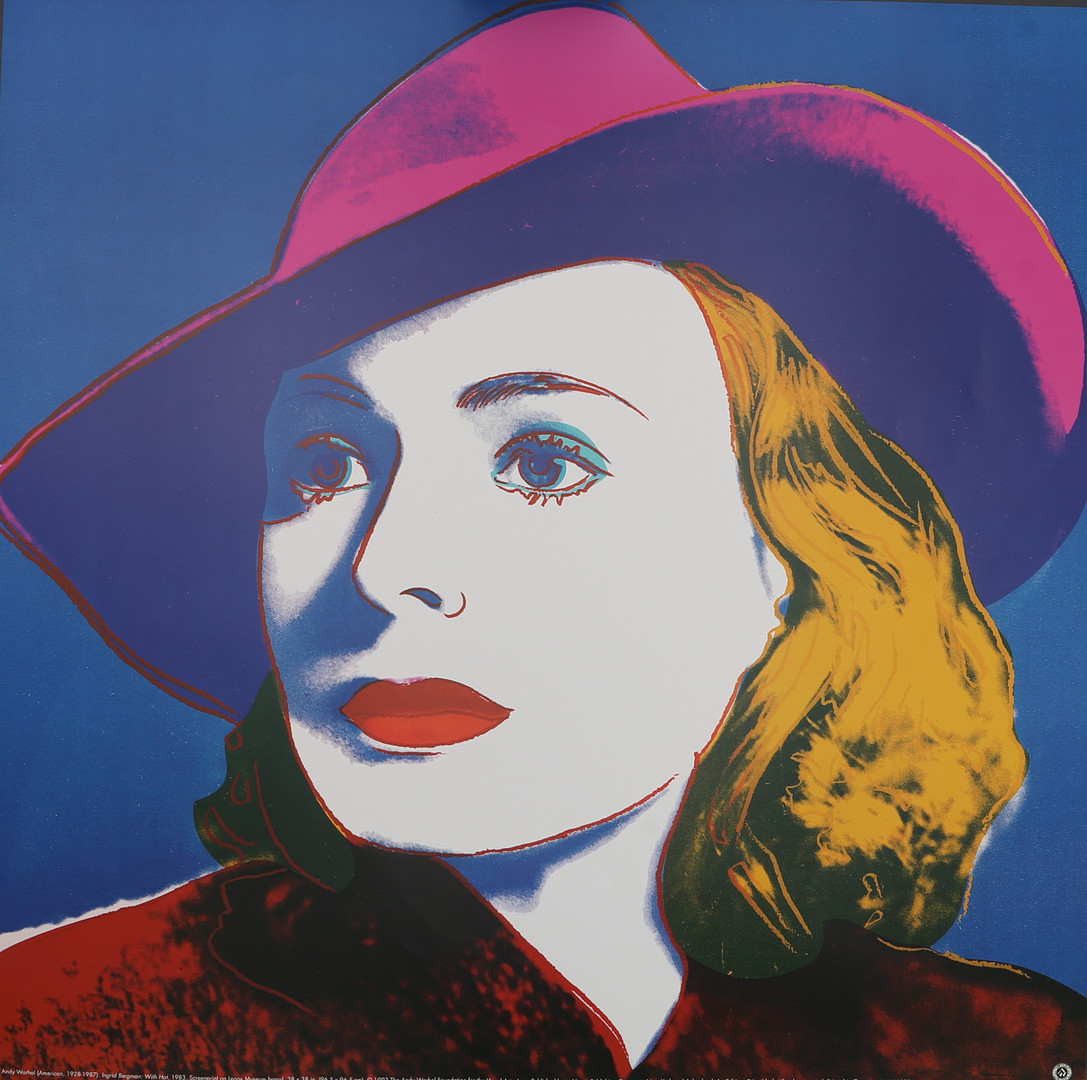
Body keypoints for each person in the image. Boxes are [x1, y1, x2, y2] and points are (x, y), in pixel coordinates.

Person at [1, 4, 1084, 1077]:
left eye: (544, 463)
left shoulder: (1003, 1057)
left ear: (787, 559)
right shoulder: (51, 1033)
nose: (382, 570)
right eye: (323, 466)